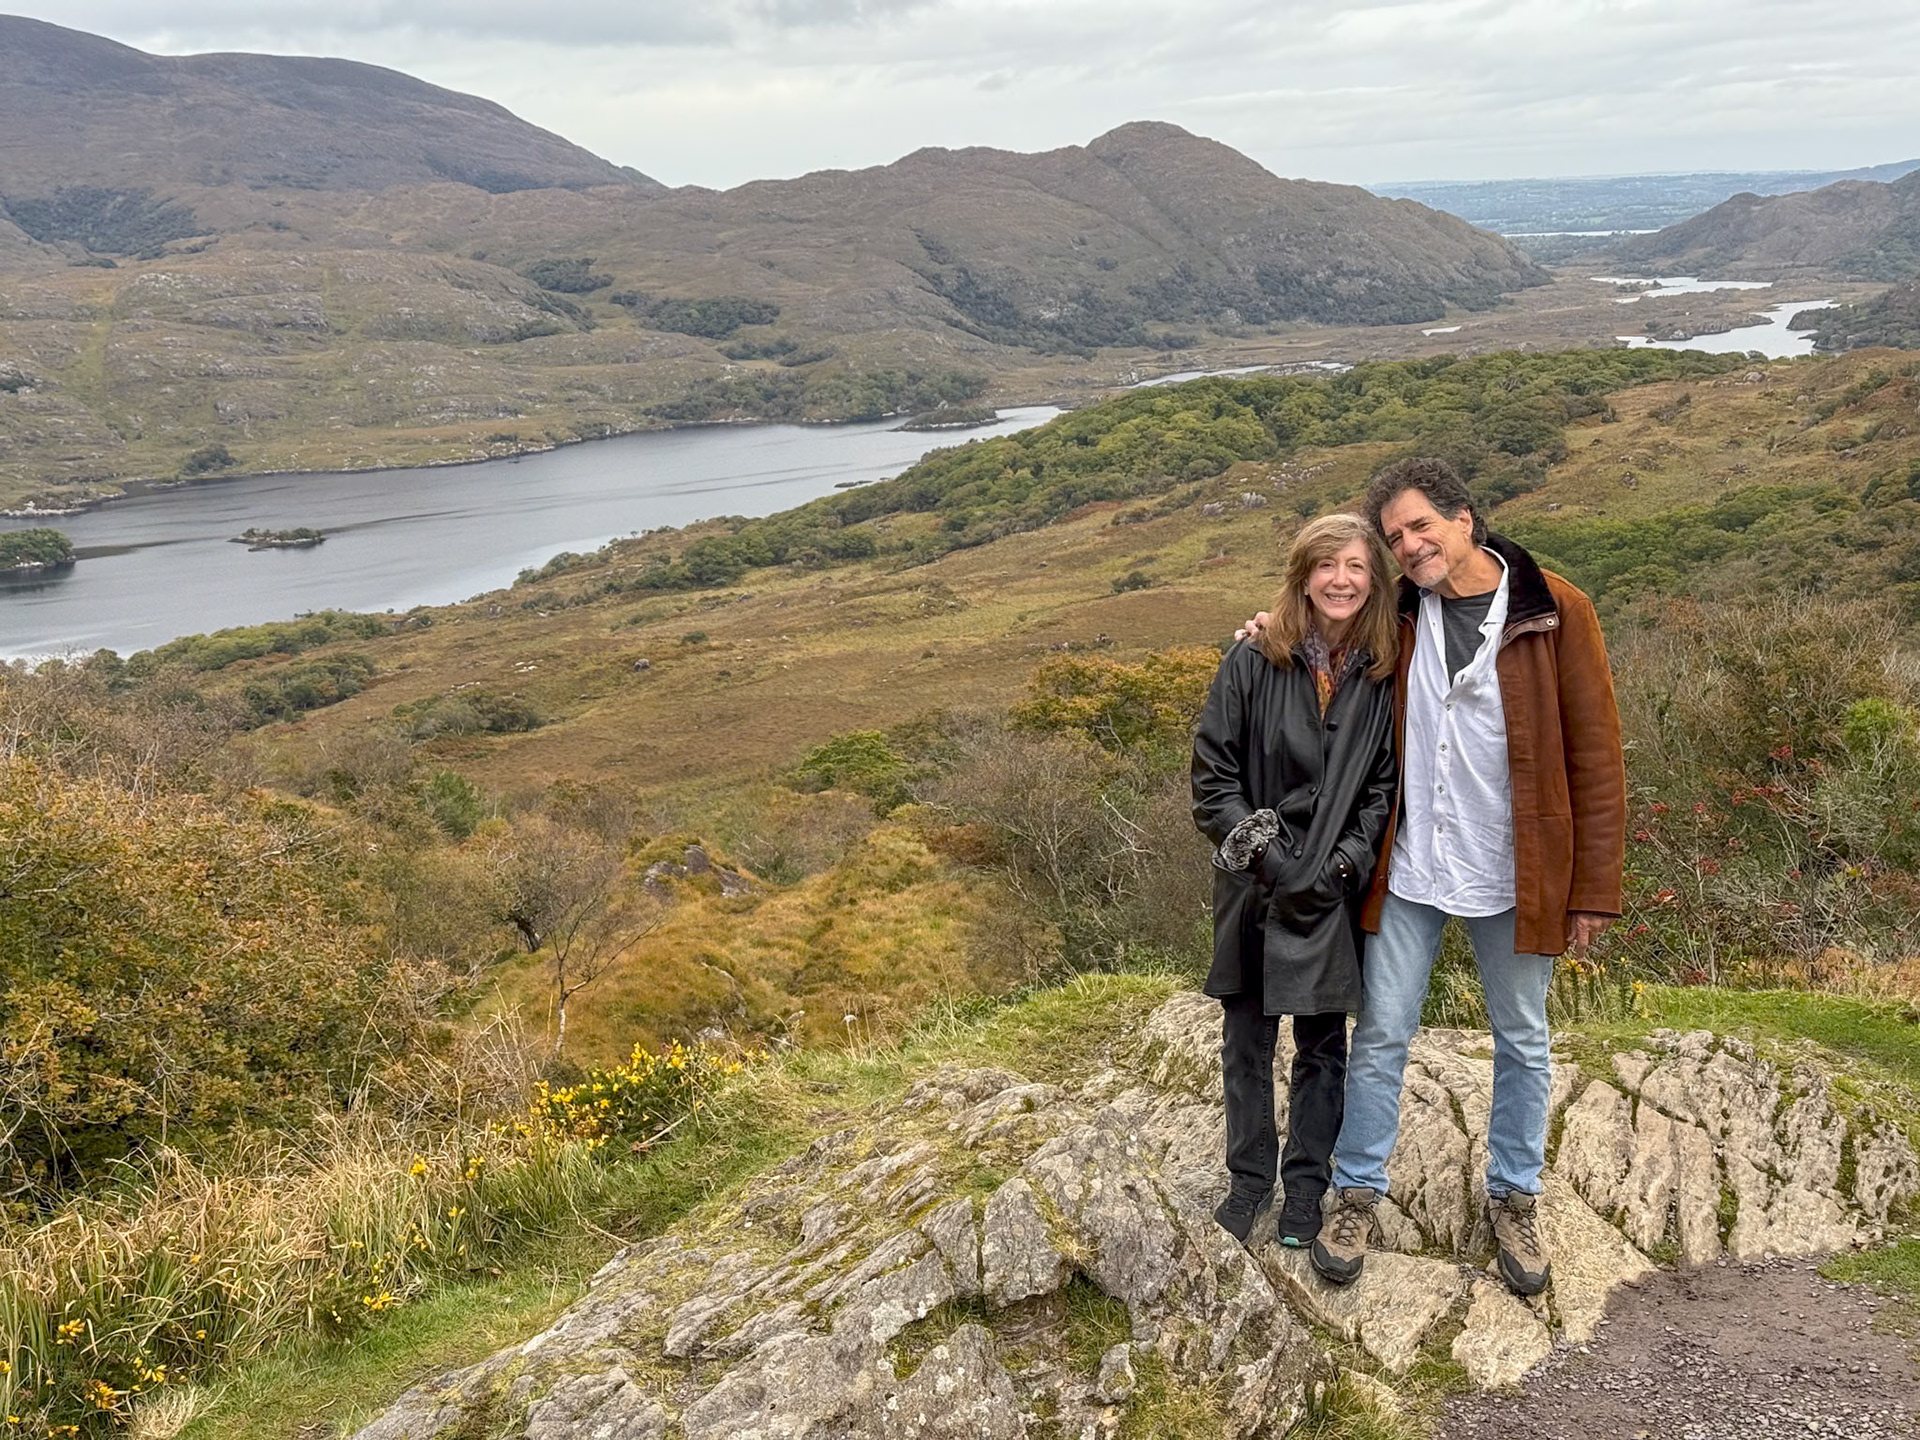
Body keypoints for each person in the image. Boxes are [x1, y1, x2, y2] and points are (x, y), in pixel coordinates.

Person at [1243, 458, 1626, 1296]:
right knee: (1381, 1035)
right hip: (1412, 868)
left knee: (1522, 1036)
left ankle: (1515, 1196)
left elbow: (1596, 756)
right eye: (1395, 539)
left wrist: (1593, 886)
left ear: (1464, 517)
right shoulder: (1401, 613)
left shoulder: (1556, 610)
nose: (1410, 547)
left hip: (1514, 872)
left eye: (1421, 527)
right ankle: (1357, 1191)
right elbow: (1321, 633)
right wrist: (1266, 632)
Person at [1191, 513, 1399, 1251]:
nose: (1340, 580)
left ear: (1374, 580)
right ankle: (1250, 1182)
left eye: (1355, 566)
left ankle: (1306, 1186)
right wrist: (1272, 861)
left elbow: (1383, 785)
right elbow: (1213, 782)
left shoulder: (1383, 670)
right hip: (1255, 888)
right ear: (1302, 576)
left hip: (1335, 890)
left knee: (1322, 1048)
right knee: (1246, 1041)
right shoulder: (1252, 660)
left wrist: (1341, 865)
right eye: (1325, 566)